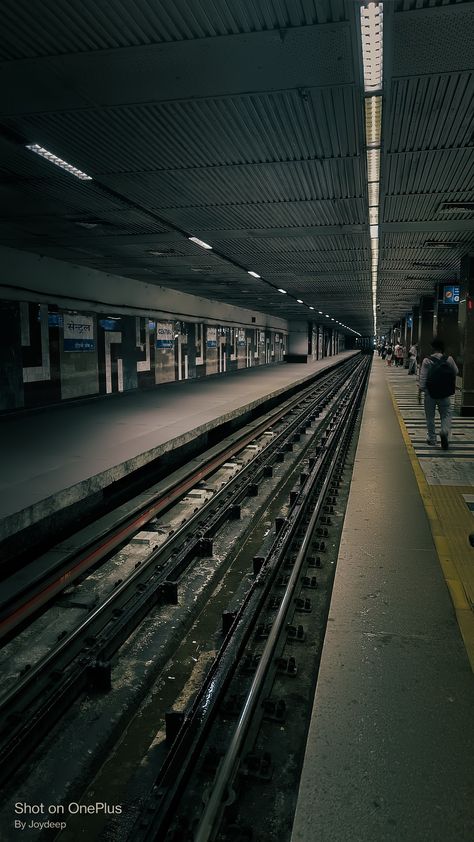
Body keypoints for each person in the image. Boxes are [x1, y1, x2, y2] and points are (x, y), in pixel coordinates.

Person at [418, 337, 458, 449]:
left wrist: (421, 392)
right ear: (442, 348)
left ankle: (432, 439)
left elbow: (423, 378)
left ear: (433, 348)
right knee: (446, 414)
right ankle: (444, 431)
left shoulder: (427, 360)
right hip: (445, 393)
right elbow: (456, 372)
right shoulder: (448, 359)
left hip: (430, 393)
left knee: (430, 417)